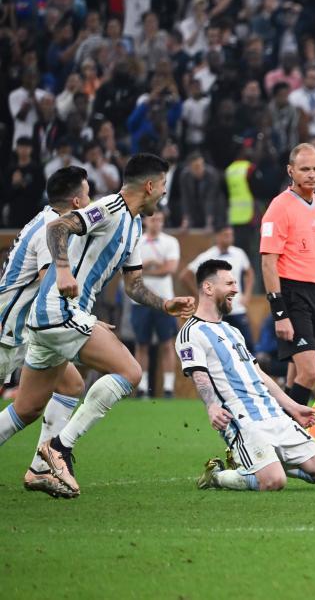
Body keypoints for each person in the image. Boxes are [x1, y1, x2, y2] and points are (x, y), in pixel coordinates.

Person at [21, 155, 196, 496]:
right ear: (150, 186)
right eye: (162, 186)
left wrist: (165, 304)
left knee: (26, 408)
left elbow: (134, 285)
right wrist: (62, 271)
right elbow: (57, 227)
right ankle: (59, 448)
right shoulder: (110, 208)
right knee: (130, 372)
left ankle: (39, 470)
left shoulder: (135, 225)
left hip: (53, 317)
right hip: (60, 309)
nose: (164, 193)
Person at [182, 260, 315, 491]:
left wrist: (292, 407)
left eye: (236, 283)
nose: (236, 289)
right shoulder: (191, 332)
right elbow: (199, 375)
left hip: (273, 413)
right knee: (274, 482)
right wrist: (211, 406)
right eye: (229, 283)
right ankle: (217, 476)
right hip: (243, 419)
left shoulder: (232, 331)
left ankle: (260, 462)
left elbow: (259, 373)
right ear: (208, 288)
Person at [0, 167, 90, 498]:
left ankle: (41, 467)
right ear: (77, 201)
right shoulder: (52, 229)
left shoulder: (45, 220)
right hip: (8, 330)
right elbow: (47, 282)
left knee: (70, 385)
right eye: (88, 194)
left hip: (25, 330)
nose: (90, 200)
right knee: (31, 405)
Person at [260, 143, 315, 408]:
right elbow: (268, 262)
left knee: (297, 373)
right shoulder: (279, 207)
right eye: (305, 169)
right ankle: (293, 427)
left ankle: (281, 424)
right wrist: (279, 313)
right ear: (291, 171)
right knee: (310, 373)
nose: (311, 174)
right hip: (291, 294)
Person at [129, 208, 181, 399]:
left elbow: (171, 268)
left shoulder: (170, 242)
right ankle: (142, 388)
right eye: (153, 219)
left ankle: (168, 389)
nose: (156, 223)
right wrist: (154, 265)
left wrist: (144, 269)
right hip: (140, 301)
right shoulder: (136, 241)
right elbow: (129, 270)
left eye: (160, 220)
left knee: (167, 344)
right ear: (145, 221)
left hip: (164, 301)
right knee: (141, 344)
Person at [181, 225, 255, 348]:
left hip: (237, 308)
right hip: (216, 311)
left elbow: (249, 273)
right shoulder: (207, 256)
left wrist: (247, 294)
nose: (229, 238)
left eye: (231, 235)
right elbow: (185, 276)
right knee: (220, 348)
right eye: (226, 235)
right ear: (217, 236)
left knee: (247, 346)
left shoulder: (239, 253)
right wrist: (201, 296)